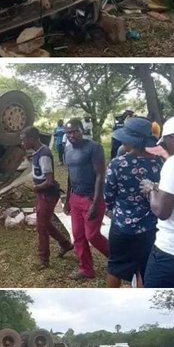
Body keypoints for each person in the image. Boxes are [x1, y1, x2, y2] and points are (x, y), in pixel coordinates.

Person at [104, 117, 163, 287]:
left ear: (131, 141)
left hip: (122, 228)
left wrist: (113, 209)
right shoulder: (158, 164)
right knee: (144, 269)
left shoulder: (117, 164)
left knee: (115, 268)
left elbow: (108, 195)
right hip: (150, 228)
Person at [63, 118, 110, 280]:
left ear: (82, 130)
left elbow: (100, 175)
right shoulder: (67, 151)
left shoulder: (94, 148)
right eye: (68, 132)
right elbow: (70, 176)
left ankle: (118, 260)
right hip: (75, 198)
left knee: (92, 236)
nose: (72, 135)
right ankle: (86, 269)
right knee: (78, 236)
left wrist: (96, 203)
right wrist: (68, 199)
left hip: (91, 198)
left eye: (75, 131)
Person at [20, 126, 73, 269]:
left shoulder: (44, 155)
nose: (22, 143)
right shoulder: (38, 152)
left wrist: (36, 187)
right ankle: (65, 244)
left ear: (32, 139)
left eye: (24, 140)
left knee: (41, 227)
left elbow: (49, 180)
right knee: (45, 223)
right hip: (43, 194)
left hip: (47, 195)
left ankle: (43, 259)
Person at [141, 114, 174, 286]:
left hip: (173, 253)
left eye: (165, 144)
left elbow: (162, 211)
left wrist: (151, 189)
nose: (165, 150)